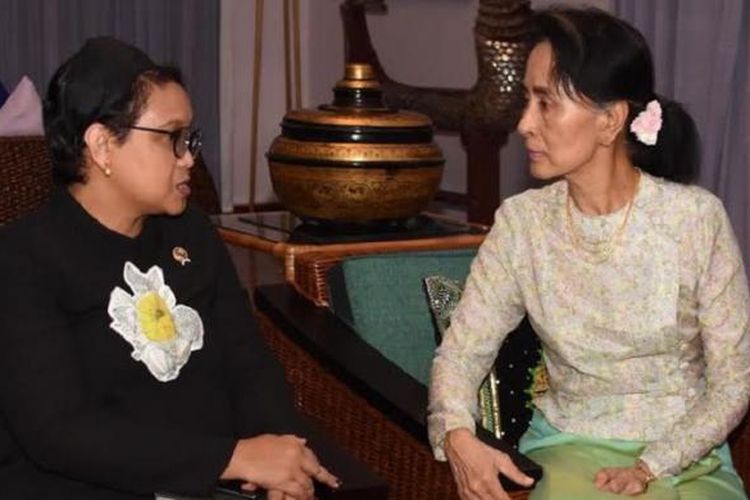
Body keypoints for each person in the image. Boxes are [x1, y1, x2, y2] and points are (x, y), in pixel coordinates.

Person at [428, 7, 750, 500]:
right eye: (526, 101)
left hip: (685, 454)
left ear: (611, 120)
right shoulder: (522, 225)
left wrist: (650, 466)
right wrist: (457, 434)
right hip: (567, 445)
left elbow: (733, 382)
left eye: (546, 103)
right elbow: (462, 351)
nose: (524, 124)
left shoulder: (695, 220)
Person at [0, 37, 339, 500]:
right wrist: (231, 458)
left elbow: (250, 365)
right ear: (102, 146)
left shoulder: (192, 233)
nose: (189, 157)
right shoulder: (23, 259)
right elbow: (58, 432)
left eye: (190, 138)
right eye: (172, 138)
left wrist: (282, 452)